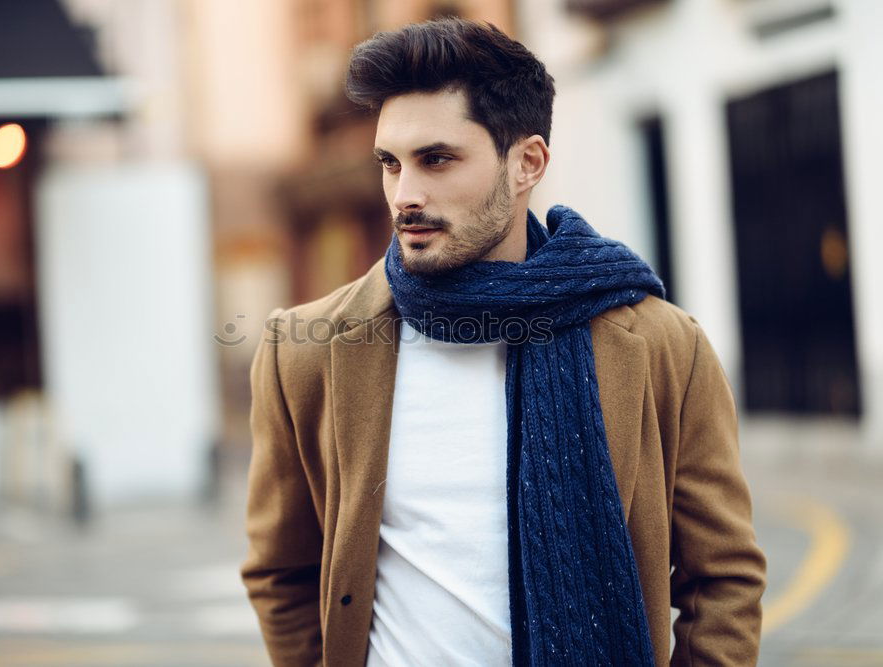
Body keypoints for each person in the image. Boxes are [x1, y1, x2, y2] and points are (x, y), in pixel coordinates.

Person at [241, 17, 765, 667]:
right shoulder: (305, 352)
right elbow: (281, 572)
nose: (405, 194)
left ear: (527, 163)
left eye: (437, 159)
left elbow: (723, 578)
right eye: (390, 163)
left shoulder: (662, 347)